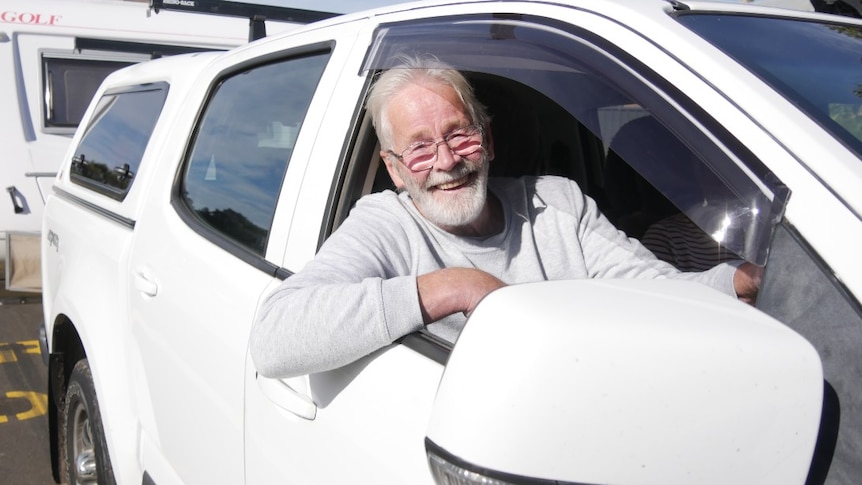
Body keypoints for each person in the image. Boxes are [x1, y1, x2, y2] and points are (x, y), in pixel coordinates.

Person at [250, 55, 761, 379]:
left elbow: (653, 289)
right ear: (396, 170)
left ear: (488, 142)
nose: (448, 161)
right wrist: (456, 286)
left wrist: (734, 281)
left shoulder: (557, 201)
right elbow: (274, 337)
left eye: (460, 134)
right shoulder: (385, 223)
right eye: (421, 148)